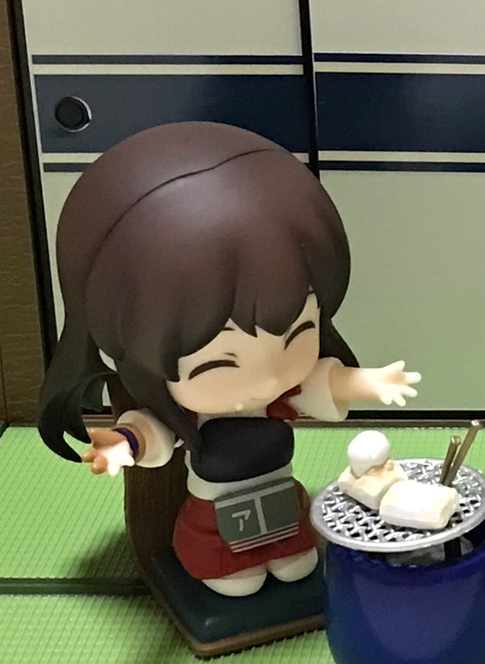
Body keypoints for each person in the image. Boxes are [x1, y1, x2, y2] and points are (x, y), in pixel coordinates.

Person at [38, 121, 419, 596]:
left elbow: (317, 386)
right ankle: (230, 569)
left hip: (279, 495)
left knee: (295, 560)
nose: (266, 379)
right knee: (235, 574)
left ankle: (281, 553)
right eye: (217, 364)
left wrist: (369, 382)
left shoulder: (275, 395)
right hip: (215, 510)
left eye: (298, 333)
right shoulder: (190, 415)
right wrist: (123, 443)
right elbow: (154, 433)